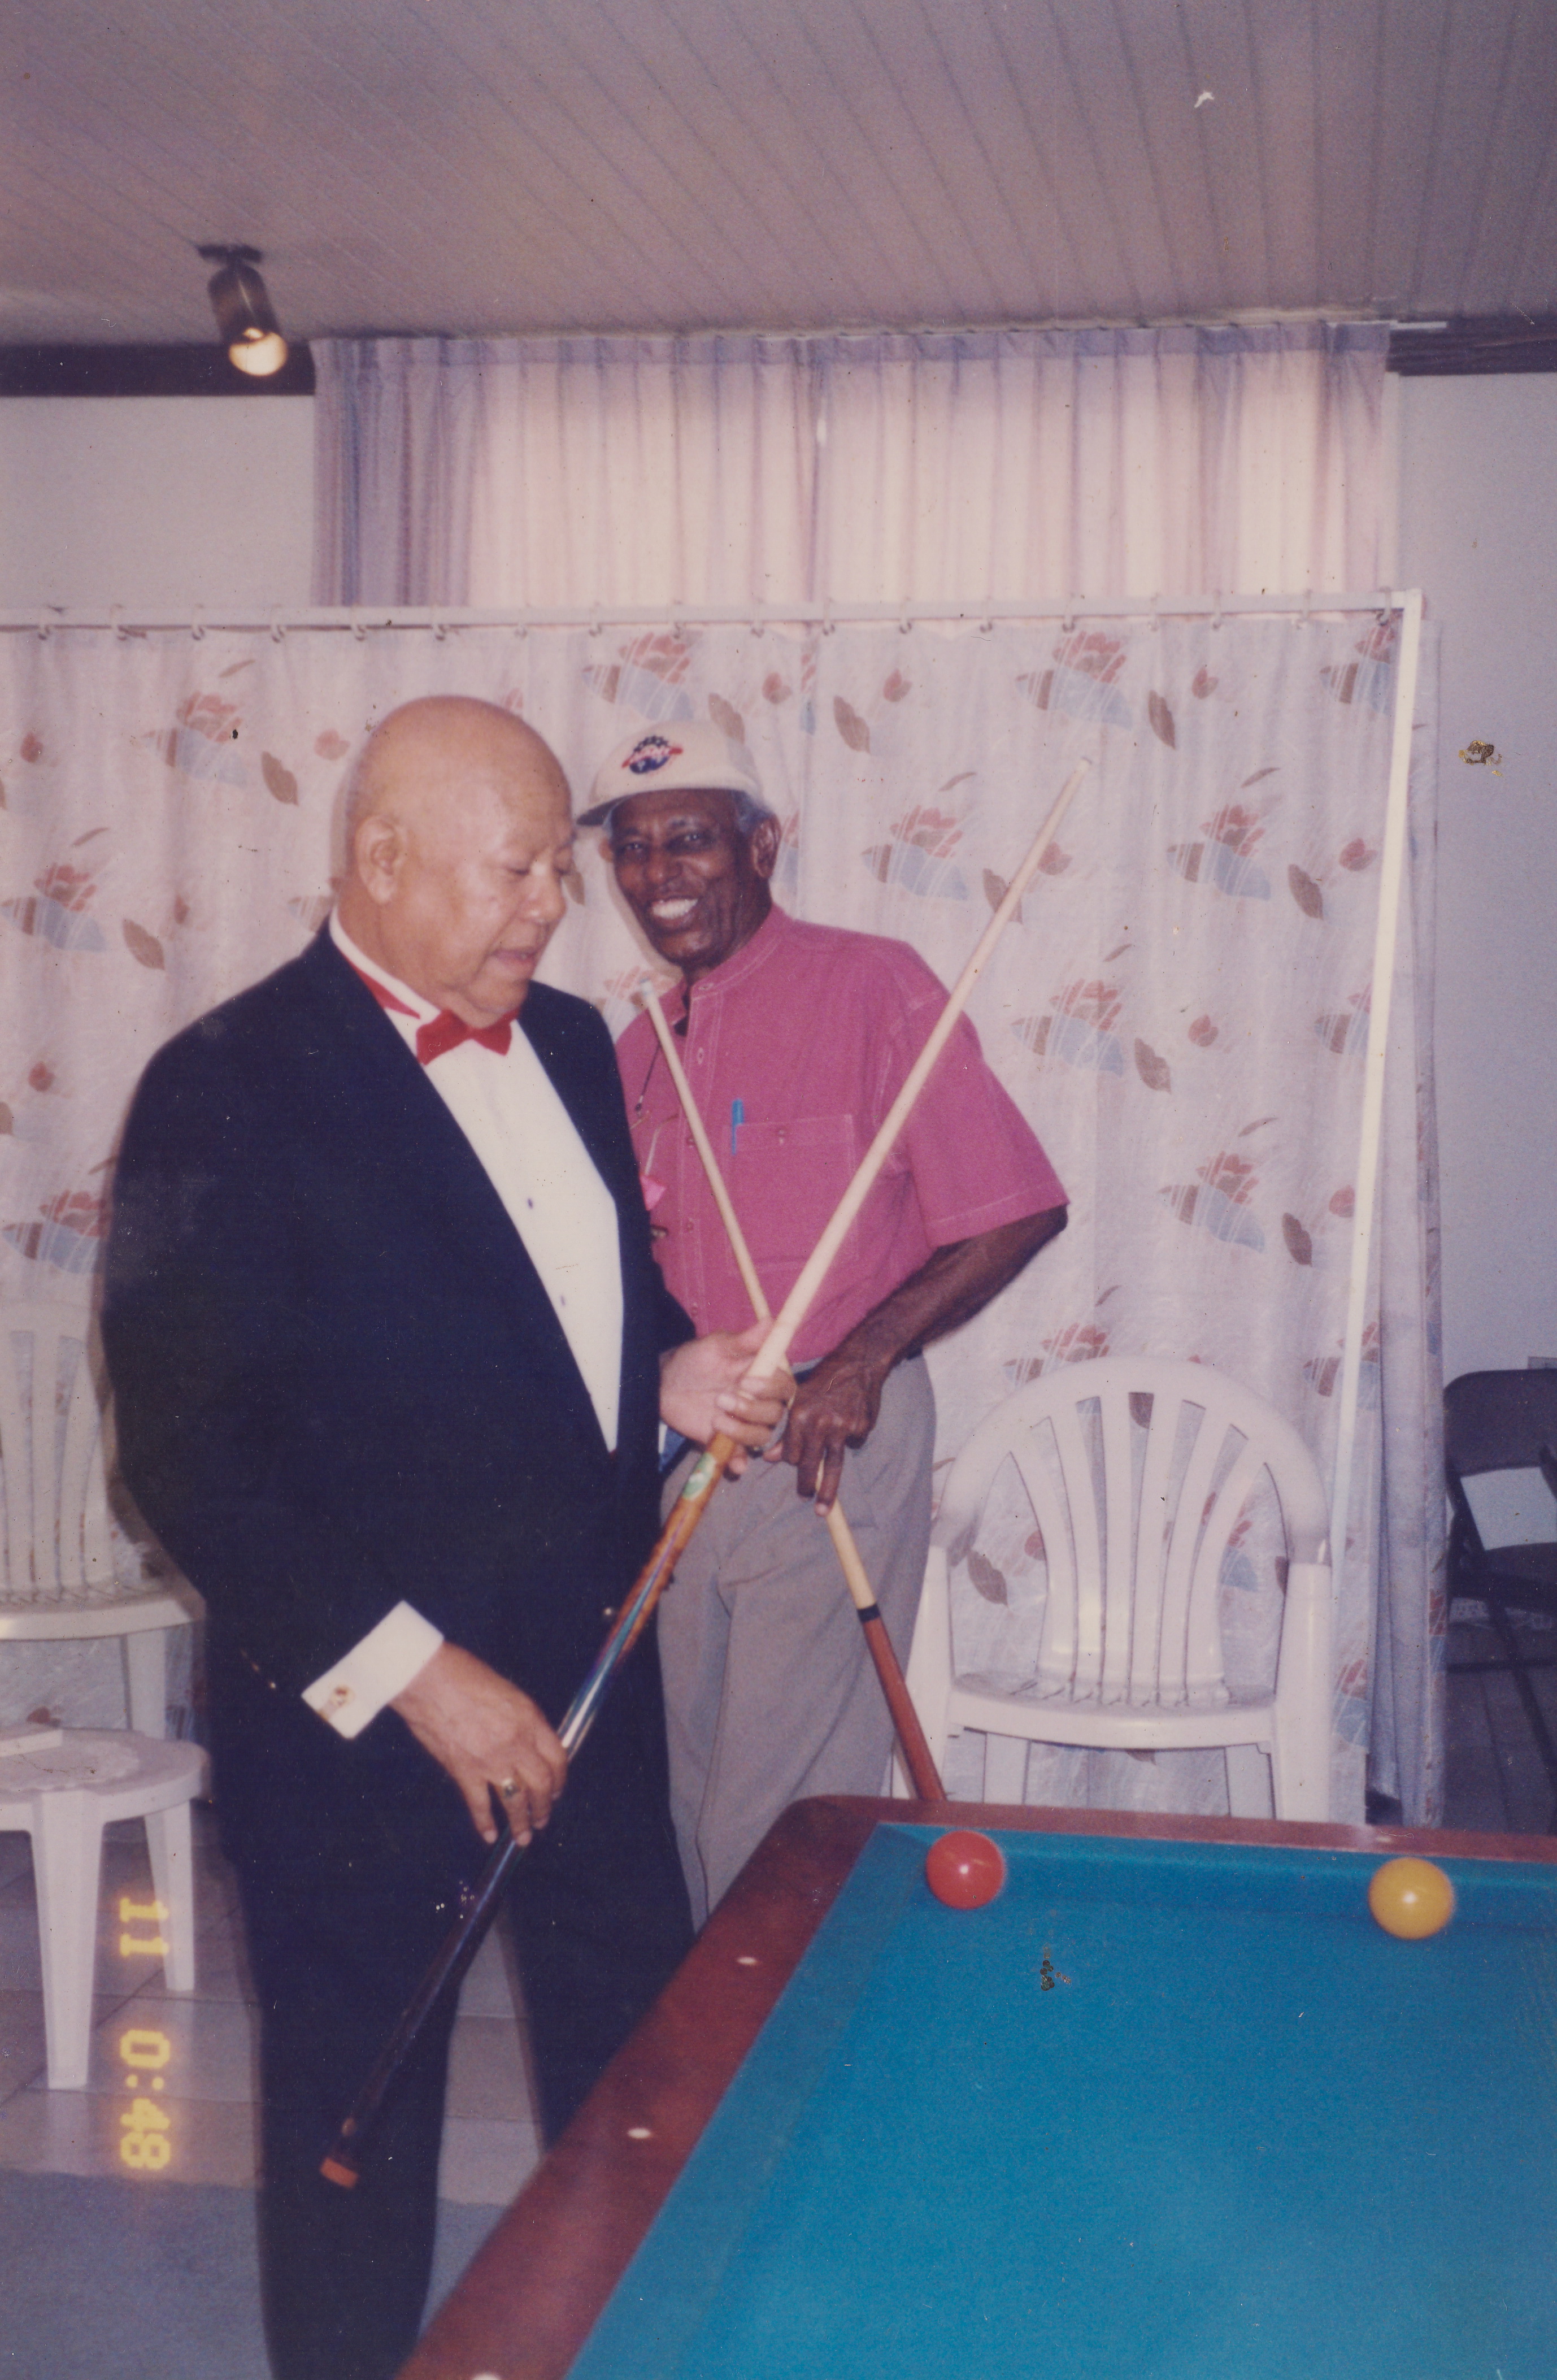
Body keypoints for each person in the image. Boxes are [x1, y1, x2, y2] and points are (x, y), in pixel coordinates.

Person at [101, 697, 786, 2380]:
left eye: (558, 866)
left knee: (633, 2088)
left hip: (593, 1681)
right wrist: (420, 1675)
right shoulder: (221, 1084)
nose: (554, 901)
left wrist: (669, 1371)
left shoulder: (567, 1042)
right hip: (364, 1722)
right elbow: (186, 1451)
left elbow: (568, 1308)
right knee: (358, 2137)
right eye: (515, 869)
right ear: (381, 859)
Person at [585, 720, 1068, 1924]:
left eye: (689, 840)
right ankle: (728, 2021)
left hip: (828, 1437)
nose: (658, 874)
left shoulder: (873, 985)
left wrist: (862, 1360)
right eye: (633, 849)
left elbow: (1017, 1207)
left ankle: (776, 2028)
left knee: (773, 1807)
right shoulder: (636, 1046)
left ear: (761, 848)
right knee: (687, 1794)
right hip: (692, 1452)